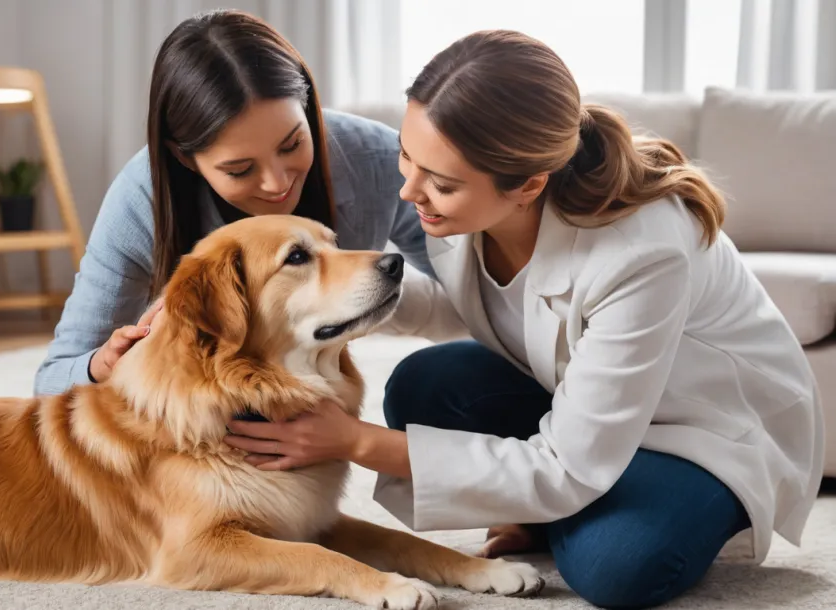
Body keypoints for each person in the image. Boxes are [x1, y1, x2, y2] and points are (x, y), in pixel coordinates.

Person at [222, 30, 824, 609]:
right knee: (422, 387)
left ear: (528, 184)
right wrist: (326, 299)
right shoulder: (468, 212)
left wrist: (358, 442)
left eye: (441, 182)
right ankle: (555, 509)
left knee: (617, 566)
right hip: (578, 396)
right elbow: (466, 305)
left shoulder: (643, 252)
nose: (409, 192)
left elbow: (569, 465)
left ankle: (597, 514)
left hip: (703, 431)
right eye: (407, 158)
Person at [33, 9, 434, 395]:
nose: (277, 183)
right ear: (185, 158)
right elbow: (51, 380)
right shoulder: (140, 202)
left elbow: (475, 289)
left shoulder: (378, 159)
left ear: (309, 107)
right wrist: (101, 364)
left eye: (293, 143)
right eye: (240, 169)